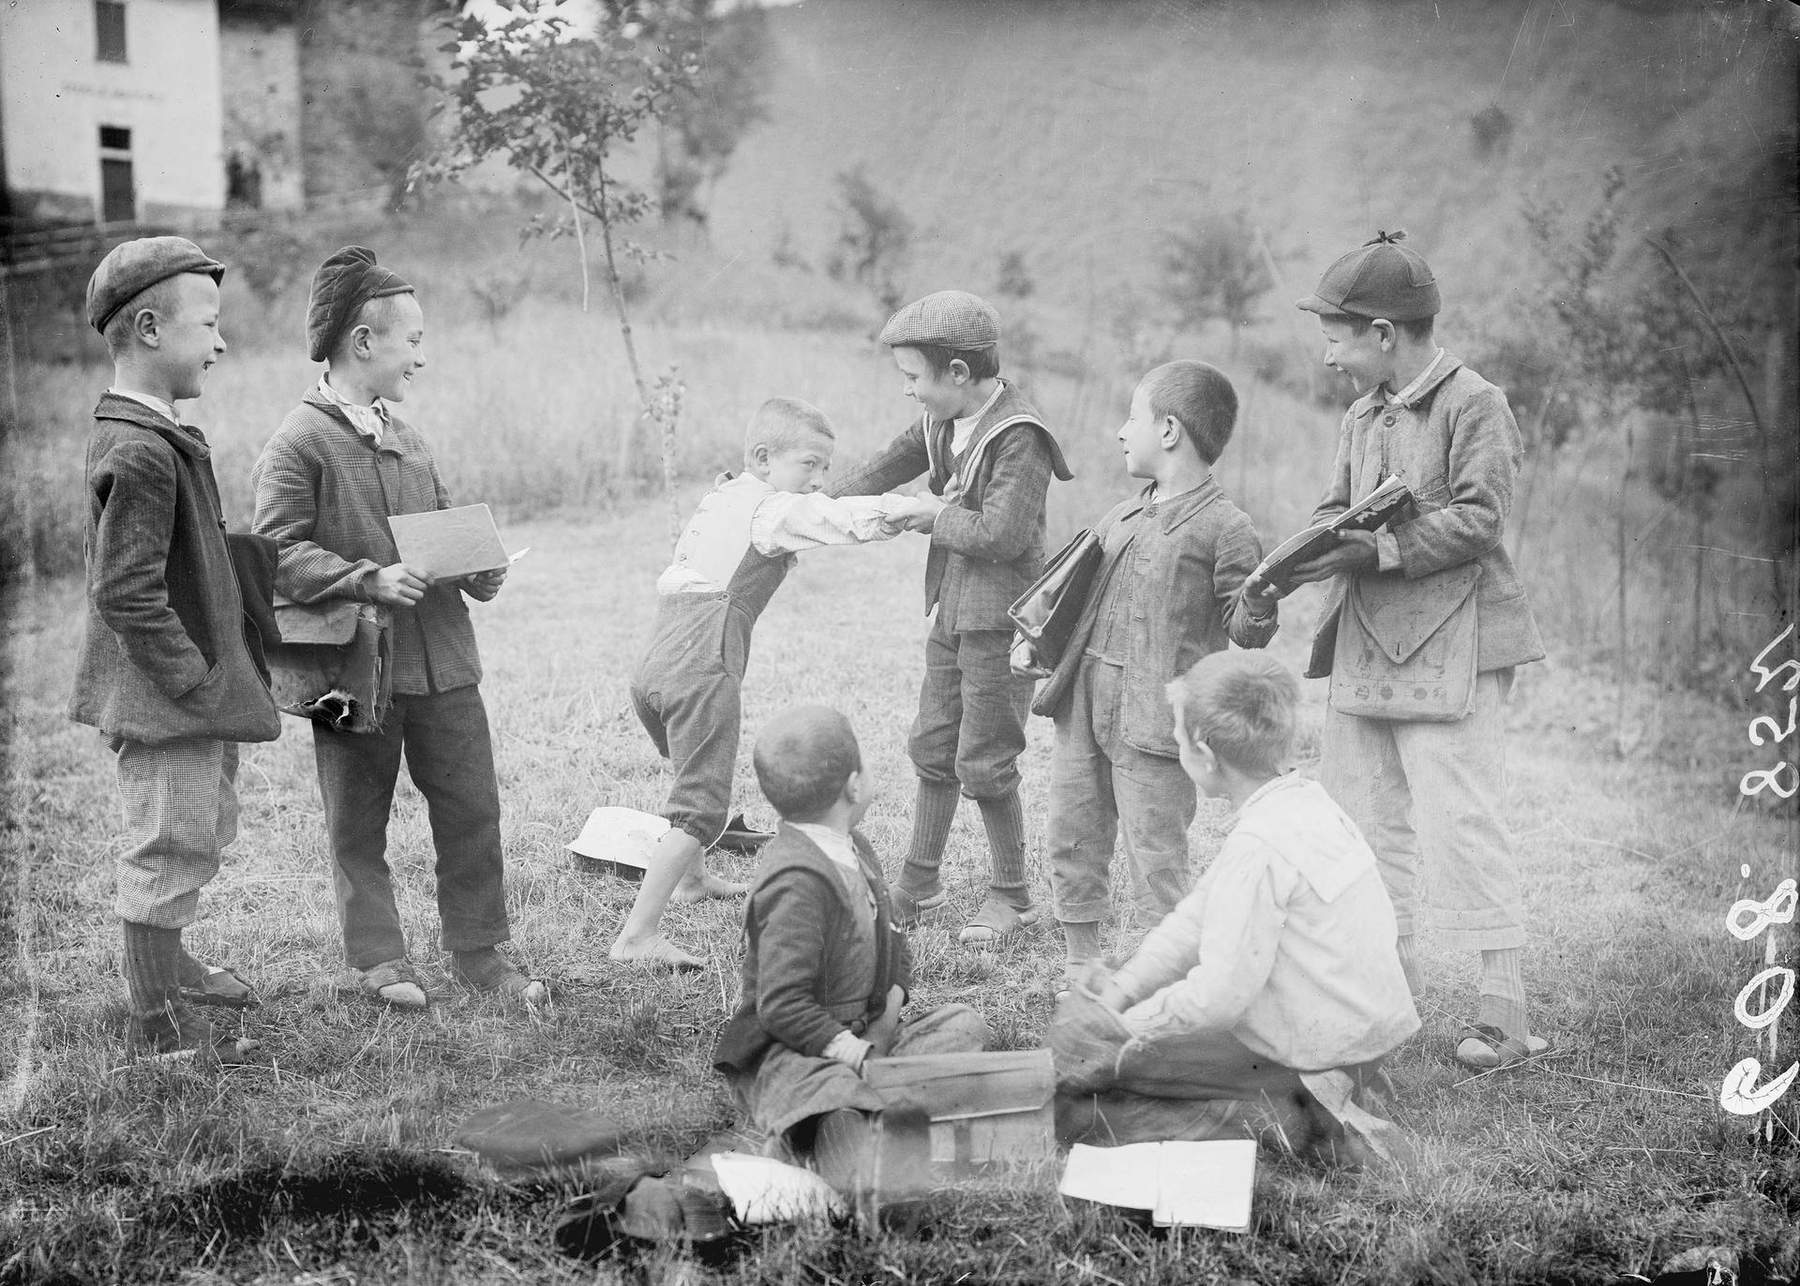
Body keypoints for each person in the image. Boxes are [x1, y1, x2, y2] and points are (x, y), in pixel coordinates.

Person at [1250, 230, 1548, 1071]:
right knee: (1365, 820)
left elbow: (1482, 517)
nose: (1327, 353)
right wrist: (1287, 568)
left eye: (1337, 335)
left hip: (1459, 638)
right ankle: (1387, 991)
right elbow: (1336, 507)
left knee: (1462, 820)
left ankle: (1506, 1013)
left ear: (1385, 333)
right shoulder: (1360, 415)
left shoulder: (1474, 403)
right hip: (1369, 640)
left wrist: (1378, 550)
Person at [252, 246, 544, 1010]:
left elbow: (440, 532)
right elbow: (275, 552)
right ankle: (381, 961)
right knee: (358, 821)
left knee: (472, 808)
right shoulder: (298, 442)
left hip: (444, 663)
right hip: (356, 671)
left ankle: (480, 953)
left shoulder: (410, 437)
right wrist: (366, 579)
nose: (423, 354)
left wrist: (479, 569)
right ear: (363, 342)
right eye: (412, 340)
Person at [1048, 652, 1417, 1161]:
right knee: (1125, 1048)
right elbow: (1195, 919)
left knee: (1087, 1099)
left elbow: (1217, 998)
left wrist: (1125, 1032)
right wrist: (1123, 988)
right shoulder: (1304, 802)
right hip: (1359, 1037)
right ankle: (1329, 1092)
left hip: (1316, 1047)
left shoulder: (1259, 847)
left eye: (1177, 737)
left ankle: (1289, 1120)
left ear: (1203, 752)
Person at [609, 399, 932, 970]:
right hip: (701, 663)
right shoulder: (770, 510)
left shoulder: (726, 495)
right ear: (762, 458)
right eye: (810, 464)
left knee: (690, 774)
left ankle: (693, 879)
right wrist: (910, 510)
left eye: (825, 468)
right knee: (700, 807)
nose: (819, 480)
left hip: (656, 660)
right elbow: (833, 521)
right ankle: (637, 935)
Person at [70, 236, 281, 1060]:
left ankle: (175, 964)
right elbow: (123, 588)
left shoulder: (157, 432)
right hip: (167, 700)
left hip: (186, 691)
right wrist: (192, 679)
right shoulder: (139, 446)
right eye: (209, 325)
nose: (221, 343)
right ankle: (154, 1024)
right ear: (150, 329)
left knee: (201, 826)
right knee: (166, 843)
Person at [831, 290, 1073, 945]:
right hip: (951, 608)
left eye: (914, 377)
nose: (908, 391)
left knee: (987, 758)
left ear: (959, 374)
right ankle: (919, 880)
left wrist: (930, 514)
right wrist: (811, 506)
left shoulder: (1020, 436)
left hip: (1000, 619)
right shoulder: (944, 420)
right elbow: (888, 464)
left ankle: (1013, 895)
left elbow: (1002, 534)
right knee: (933, 745)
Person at [1035, 360, 1277, 976]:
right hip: (1084, 700)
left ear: (1168, 431)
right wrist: (1038, 642)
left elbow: (1246, 631)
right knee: (1073, 829)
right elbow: (1074, 604)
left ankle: (1164, 973)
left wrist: (1259, 600)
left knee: (1156, 851)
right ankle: (1082, 965)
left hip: (1154, 718)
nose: (1120, 432)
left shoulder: (1228, 528)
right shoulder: (1120, 515)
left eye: (1132, 418)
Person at [713, 704, 987, 1194]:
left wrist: (888, 1017)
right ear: (854, 786)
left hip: (869, 1036)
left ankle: (868, 1112)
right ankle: (842, 1138)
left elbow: (895, 942)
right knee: (828, 1092)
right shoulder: (796, 882)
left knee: (963, 1025)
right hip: (797, 1051)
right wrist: (856, 1055)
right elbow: (782, 1006)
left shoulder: (856, 846)